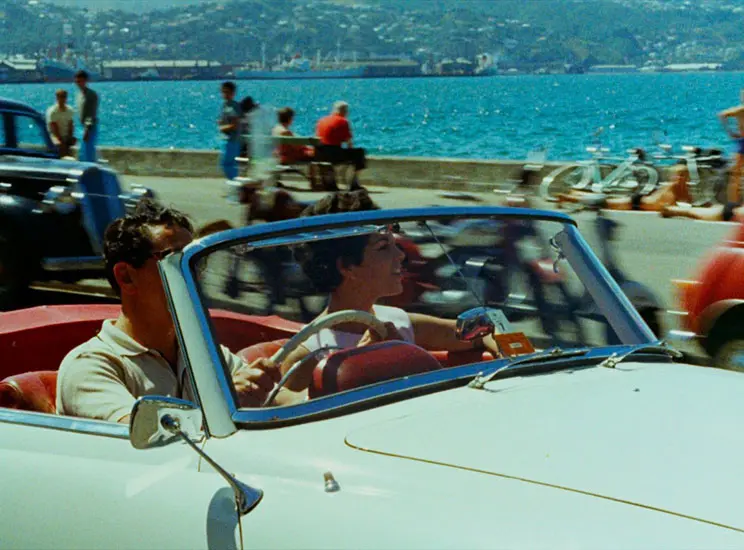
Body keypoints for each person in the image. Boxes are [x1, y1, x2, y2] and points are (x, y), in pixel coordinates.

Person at [56, 200, 294, 423]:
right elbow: (150, 436)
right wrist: (225, 403)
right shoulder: (90, 366)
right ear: (126, 277)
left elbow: (289, 401)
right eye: (177, 261)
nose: (194, 275)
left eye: (196, 262)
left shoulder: (202, 353)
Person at [274, 190, 503, 392]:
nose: (400, 255)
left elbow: (486, 328)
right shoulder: (307, 355)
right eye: (383, 247)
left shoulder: (397, 322)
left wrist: (517, 353)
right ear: (347, 267)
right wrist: (358, 363)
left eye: (395, 244)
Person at [315, 101, 367, 190]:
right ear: (344, 111)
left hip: (320, 154)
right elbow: (349, 142)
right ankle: (353, 183)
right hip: (334, 155)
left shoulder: (322, 120)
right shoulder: (343, 121)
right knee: (360, 153)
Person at [272, 107, 318, 188]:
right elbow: (297, 147)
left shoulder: (276, 129)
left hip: (279, 155)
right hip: (287, 157)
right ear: (290, 119)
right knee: (314, 154)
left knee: (311, 151)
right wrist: (308, 147)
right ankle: (314, 182)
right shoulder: (285, 132)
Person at [718, 89, 744, 206]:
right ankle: (732, 204)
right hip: (742, 142)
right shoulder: (740, 109)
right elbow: (722, 114)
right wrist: (730, 132)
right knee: (735, 176)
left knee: (736, 176)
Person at [218, 81, 242, 180]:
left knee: (227, 164)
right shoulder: (225, 105)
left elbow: (235, 124)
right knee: (227, 164)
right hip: (226, 139)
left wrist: (222, 127)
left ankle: (235, 184)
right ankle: (234, 185)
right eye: (223, 92)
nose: (225, 95)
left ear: (233, 93)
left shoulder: (233, 106)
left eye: (227, 92)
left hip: (232, 140)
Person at [74, 70, 98, 162]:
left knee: (89, 154)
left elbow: (91, 113)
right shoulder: (79, 94)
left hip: (90, 128)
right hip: (81, 127)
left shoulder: (91, 95)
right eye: (77, 81)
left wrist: (87, 129)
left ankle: (92, 173)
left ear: (85, 81)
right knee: (82, 154)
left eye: (80, 81)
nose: (78, 84)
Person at [46, 89, 76, 158]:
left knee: (73, 141)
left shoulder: (70, 110)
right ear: (57, 98)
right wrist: (62, 141)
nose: (63, 99)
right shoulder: (52, 111)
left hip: (65, 136)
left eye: (64, 97)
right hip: (54, 136)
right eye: (61, 97)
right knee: (60, 145)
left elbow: (71, 125)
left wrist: (70, 137)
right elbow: (54, 129)